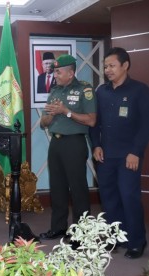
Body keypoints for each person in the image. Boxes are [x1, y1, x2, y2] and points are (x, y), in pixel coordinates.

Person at [89, 47, 149, 259]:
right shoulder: (101, 92)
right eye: (105, 66)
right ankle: (114, 238)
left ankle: (136, 241)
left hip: (128, 156)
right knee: (109, 198)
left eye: (112, 65)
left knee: (129, 196)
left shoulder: (140, 90)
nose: (108, 70)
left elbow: (145, 125)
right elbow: (95, 123)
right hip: (105, 155)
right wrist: (96, 145)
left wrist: (136, 151)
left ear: (125, 65)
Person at [39, 54, 96, 240]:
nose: (54, 75)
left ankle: (81, 234)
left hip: (74, 143)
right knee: (57, 188)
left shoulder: (84, 90)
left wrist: (66, 112)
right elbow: (43, 123)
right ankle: (58, 227)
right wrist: (51, 115)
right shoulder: (55, 91)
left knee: (78, 189)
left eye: (58, 72)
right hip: (55, 143)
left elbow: (91, 120)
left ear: (70, 73)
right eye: (54, 71)